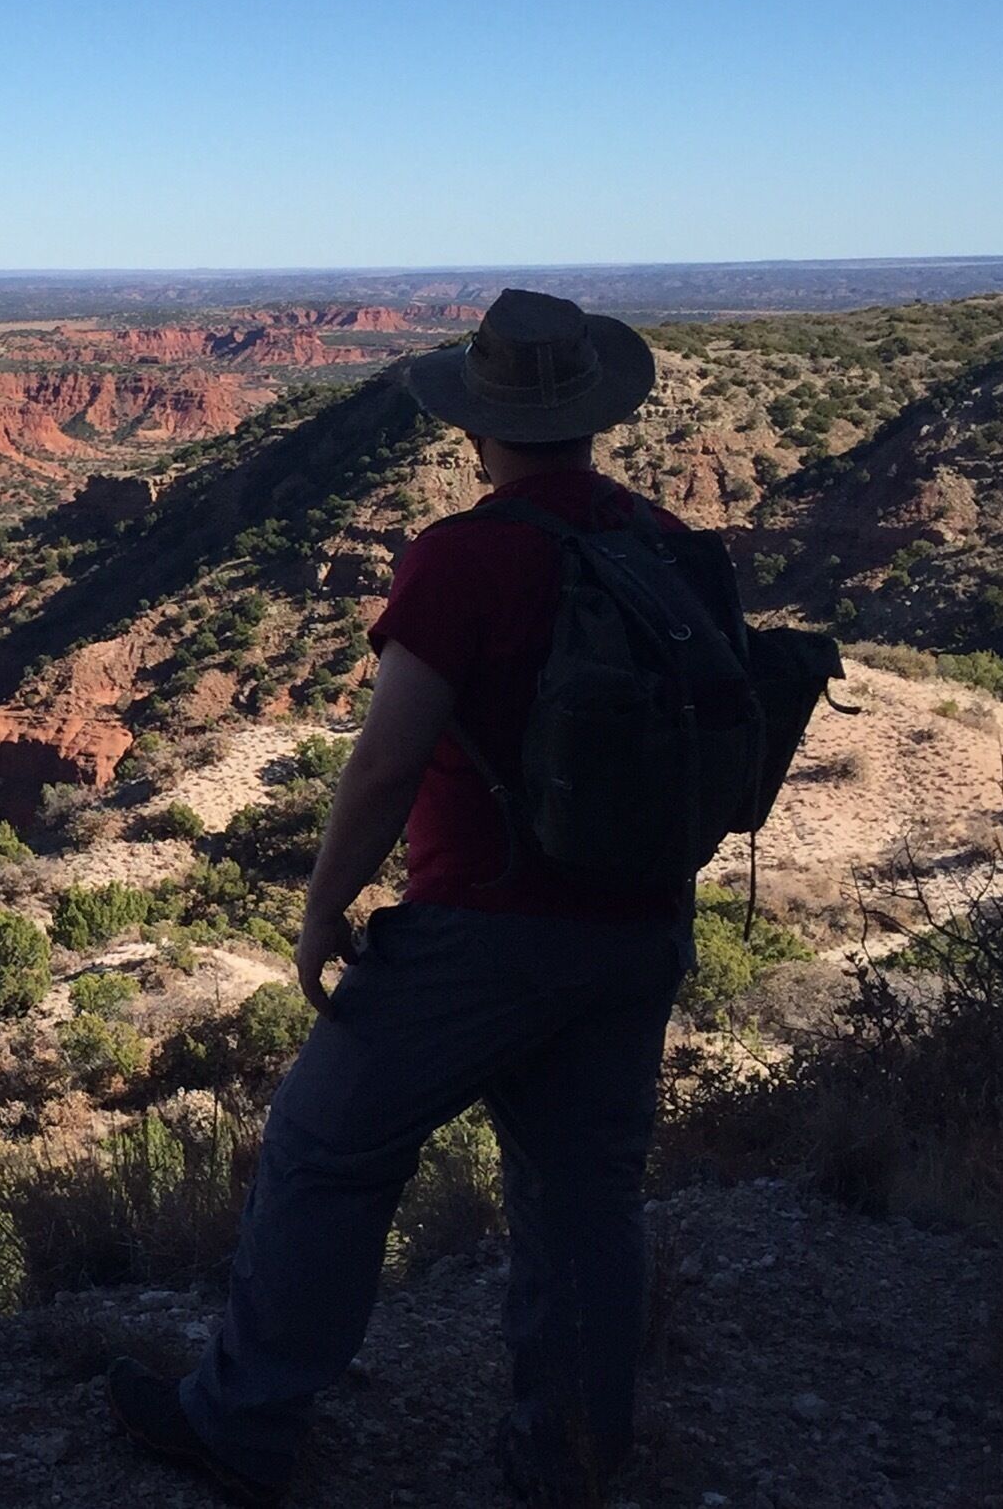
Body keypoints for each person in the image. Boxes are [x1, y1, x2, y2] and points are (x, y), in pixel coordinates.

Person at [108, 289, 697, 1507]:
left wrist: (324, 910)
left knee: (325, 1151)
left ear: (480, 428)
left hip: (482, 926)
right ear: (592, 418)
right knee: (585, 1198)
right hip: (637, 923)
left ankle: (246, 1422)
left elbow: (384, 762)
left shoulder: (466, 556)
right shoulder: (664, 544)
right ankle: (570, 1463)